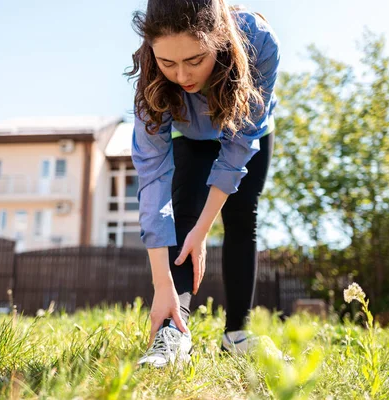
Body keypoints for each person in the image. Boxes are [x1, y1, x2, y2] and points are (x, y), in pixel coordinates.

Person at [127, 0, 280, 368]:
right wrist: (161, 280)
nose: (181, 76)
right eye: (168, 63)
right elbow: (152, 178)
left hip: (244, 130)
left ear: (219, 38)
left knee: (242, 217)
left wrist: (205, 227)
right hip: (191, 134)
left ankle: (236, 335)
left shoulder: (260, 43)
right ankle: (174, 332)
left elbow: (239, 146)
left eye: (195, 60)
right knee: (181, 216)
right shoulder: (151, 80)